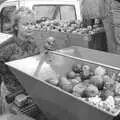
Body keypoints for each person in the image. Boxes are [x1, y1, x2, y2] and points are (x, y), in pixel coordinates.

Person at [0, 7, 40, 93]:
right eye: (25, 24)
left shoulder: (33, 43)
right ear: (16, 27)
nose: (30, 27)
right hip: (12, 93)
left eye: (32, 24)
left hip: (29, 90)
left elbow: (36, 65)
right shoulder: (6, 47)